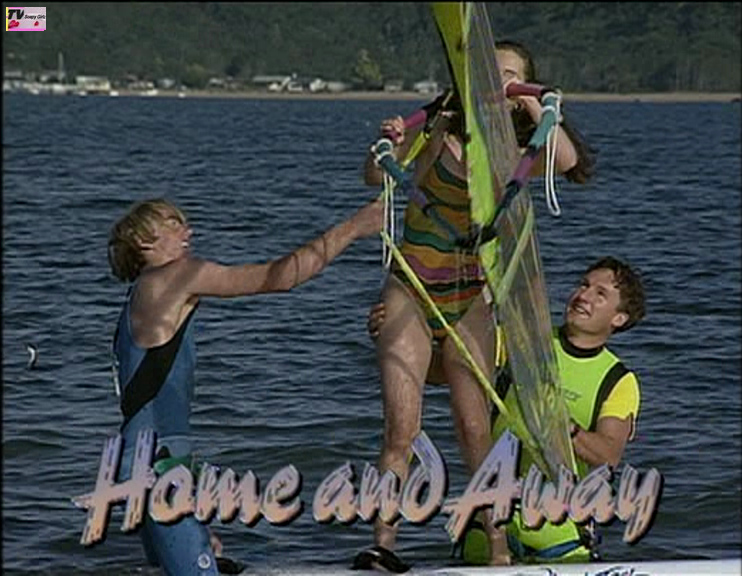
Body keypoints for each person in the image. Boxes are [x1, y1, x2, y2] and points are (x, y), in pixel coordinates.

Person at [353, 40, 595, 572]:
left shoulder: (518, 148)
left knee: (474, 432)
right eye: (490, 71)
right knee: (400, 429)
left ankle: (498, 550)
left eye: (510, 75)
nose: (497, 81)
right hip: (412, 287)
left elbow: (568, 160)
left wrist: (533, 101)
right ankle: (383, 546)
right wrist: (390, 139)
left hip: (471, 297)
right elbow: (376, 174)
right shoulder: (440, 122)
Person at [107, 195, 383, 576]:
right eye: (173, 224)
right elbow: (281, 277)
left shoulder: (140, 294)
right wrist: (354, 228)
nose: (188, 231)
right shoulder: (177, 275)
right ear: (143, 241)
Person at [365, 256, 646, 566]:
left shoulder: (618, 380)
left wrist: (564, 427)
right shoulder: (520, 340)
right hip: (485, 532)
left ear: (619, 318)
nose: (583, 295)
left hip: (560, 541)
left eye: (600, 294)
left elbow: (608, 455)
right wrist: (394, 339)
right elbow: (442, 372)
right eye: (584, 285)